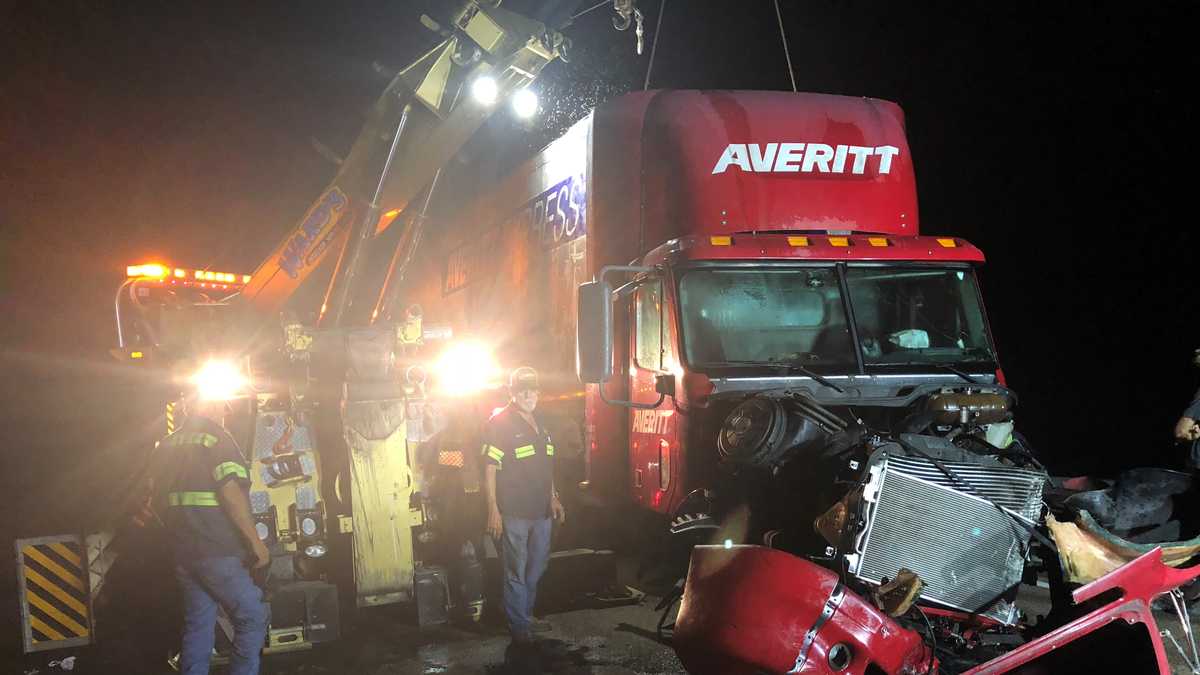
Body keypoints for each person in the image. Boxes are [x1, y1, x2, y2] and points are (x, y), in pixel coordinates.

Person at [157, 394, 269, 675]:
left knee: (198, 624)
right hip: (216, 550)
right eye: (222, 403)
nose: (226, 409)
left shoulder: (167, 444)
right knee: (253, 616)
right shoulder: (215, 439)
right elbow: (231, 494)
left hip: (184, 554)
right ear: (208, 403)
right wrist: (256, 543)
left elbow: (156, 501)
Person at [482, 366, 566, 643]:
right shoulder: (500, 422)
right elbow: (491, 467)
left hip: (541, 511)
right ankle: (519, 626)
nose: (529, 394)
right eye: (522, 390)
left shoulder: (540, 422)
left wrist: (554, 496)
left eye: (533, 389)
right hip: (514, 512)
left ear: (539, 392)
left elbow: (546, 464)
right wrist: (493, 509)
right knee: (515, 570)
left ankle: (524, 614)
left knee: (537, 566)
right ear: (512, 392)